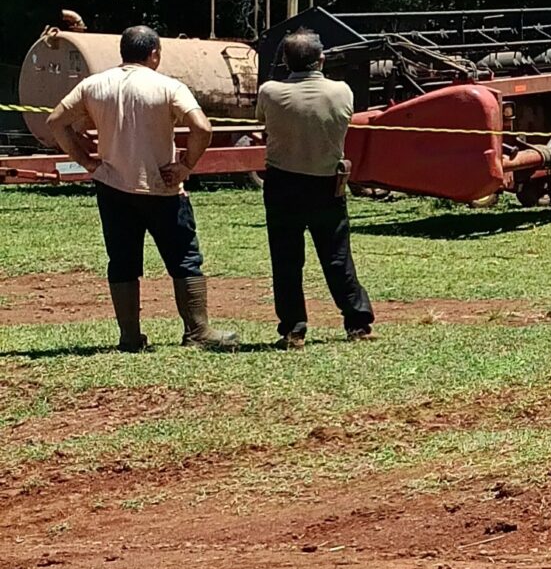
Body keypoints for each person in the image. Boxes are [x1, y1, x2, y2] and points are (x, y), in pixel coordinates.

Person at [44, 24, 238, 352]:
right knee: (185, 258)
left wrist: (87, 162)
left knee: (122, 261)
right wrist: (186, 166)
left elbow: (55, 122)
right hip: (161, 188)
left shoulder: (93, 85)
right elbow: (202, 128)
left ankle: (130, 337)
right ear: (154, 54)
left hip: (113, 186)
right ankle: (197, 331)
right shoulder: (168, 87)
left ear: (123, 52)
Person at [255, 29, 375, 347]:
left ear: (285, 61)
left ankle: (294, 328)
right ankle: (357, 322)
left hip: (282, 183)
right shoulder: (342, 92)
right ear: (321, 59)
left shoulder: (269, 92)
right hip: (326, 184)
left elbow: (262, 124)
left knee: (286, 259)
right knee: (337, 256)